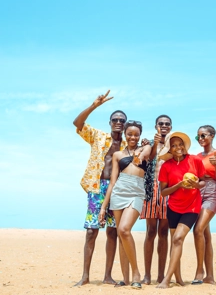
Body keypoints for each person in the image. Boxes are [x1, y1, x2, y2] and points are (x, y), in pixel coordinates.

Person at [73, 90, 127, 286]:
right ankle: (85, 276)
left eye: (122, 120)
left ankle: (107, 276)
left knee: (112, 231)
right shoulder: (98, 136)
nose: (118, 122)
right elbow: (77, 124)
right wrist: (94, 106)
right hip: (97, 188)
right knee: (91, 231)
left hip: (117, 190)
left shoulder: (129, 144)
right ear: (110, 122)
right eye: (115, 119)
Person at [99, 120, 151, 290]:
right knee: (121, 236)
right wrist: (103, 207)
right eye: (130, 134)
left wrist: (143, 148)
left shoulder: (145, 148)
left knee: (124, 229)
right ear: (125, 134)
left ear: (140, 135)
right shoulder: (117, 155)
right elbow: (113, 182)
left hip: (136, 192)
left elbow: (143, 156)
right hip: (118, 193)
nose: (133, 137)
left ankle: (136, 273)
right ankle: (126, 278)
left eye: (136, 134)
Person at [156, 132, 206, 289]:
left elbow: (203, 181)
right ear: (170, 149)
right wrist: (178, 185)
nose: (178, 147)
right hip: (173, 208)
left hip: (191, 206)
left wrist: (197, 185)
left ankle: (167, 279)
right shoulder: (166, 166)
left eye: (180, 144)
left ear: (185, 146)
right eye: (174, 145)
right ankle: (178, 278)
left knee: (177, 239)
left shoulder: (195, 160)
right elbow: (163, 192)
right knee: (174, 243)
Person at [139, 115, 173, 285]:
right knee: (151, 231)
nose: (164, 126)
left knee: (164, 233)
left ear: (171, 127)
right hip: (151, 189)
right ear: (155, 126)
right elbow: (148, 160)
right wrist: (153, 143)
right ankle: (147, 275)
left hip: (167, 191)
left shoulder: (174, 146)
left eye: (167, 124)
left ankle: (160, 275)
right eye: (161, 123)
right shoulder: (149, 145)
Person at [192, 125, 216, 285]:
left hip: (211, 191)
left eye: (203, 136)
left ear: (212, 136)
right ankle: (210, 276)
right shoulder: (196, 157)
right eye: (198, 137)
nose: (201, 139)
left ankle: (200, 271)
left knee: (197, 230)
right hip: (197, 192)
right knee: (205, 234)